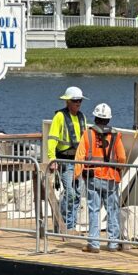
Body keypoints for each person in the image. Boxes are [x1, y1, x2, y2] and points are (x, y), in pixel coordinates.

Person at [75, 103, 127, 253]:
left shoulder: (87, 134)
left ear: (95, 117)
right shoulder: (116, 136)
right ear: (108, 120)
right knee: (113, 210)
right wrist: (119, 169)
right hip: (111, 177)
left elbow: (79, 156)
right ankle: (113, 244)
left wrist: (76, 176)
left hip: (93, 177)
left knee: (94, 210)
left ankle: (94, 244)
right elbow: (122, 157)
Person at [47, 86, 86, 232]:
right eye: (75, 100)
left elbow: (85, 140)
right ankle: (62, 225)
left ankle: (70, 226)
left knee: (76, 195)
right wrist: (52, 159)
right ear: (67, 101)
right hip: (64, 160)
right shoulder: (60, 117)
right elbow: (52, 139)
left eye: (80, 101)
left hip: (78, 161)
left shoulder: (82, 117)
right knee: (69, 193)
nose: (78, 103)